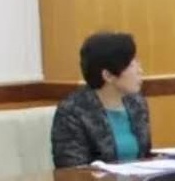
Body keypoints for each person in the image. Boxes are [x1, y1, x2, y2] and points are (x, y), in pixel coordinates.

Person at [51, 32, 151, 168]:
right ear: (108, 75)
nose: (140, 71)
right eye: (131, 65)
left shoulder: (137, 103)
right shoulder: (72, 112)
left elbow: (145, 156)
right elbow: (72, 170)